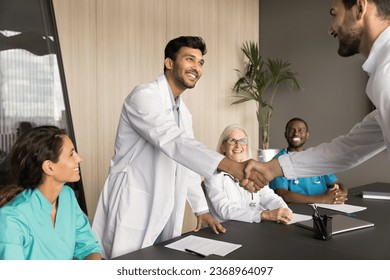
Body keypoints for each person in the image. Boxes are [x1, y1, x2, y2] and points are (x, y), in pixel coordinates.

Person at [92, 36, 264, 259]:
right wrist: (231, 166)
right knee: (127, 263)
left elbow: (187, 161)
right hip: (134, 200)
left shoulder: (184, 112)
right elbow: (174, 142)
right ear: (169, 63)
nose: (196, 67)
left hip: (164, 203)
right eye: (190, 59)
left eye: (200, 62)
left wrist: (201, 209)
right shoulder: (143, 97)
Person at [248, 0, 390, 196]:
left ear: (360, 8)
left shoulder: (387, 72)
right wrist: (272, 168)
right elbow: (350, 148)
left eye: (334, 14)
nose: (331, 28)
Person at [0, 126, 102, 260]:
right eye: (71, 154)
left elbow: (88, 247)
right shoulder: (11, 219)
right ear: (49, 167)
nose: (79, 159)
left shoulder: (67, 196)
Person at [204, 124, 293, 224]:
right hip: (228, 230)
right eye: (232, 140)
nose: (238, 145)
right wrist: (264, 215)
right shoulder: (213, 174)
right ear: (223, 147)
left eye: (242, 141)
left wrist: (284, 209)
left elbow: (268, 196)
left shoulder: (254, 169)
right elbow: (224, 210)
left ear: (246, 146)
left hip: (255, 228)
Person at [269, 118, 348, 204]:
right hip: (299, 211)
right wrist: (323, 199)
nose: (296, 133)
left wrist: (341, 195)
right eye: (292, 130)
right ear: (285, 134)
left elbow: (338, 183)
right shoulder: (279, 160)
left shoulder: (315, 158)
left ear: (307, 135)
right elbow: (282, 194)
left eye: (300, 130)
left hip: (325, 208)